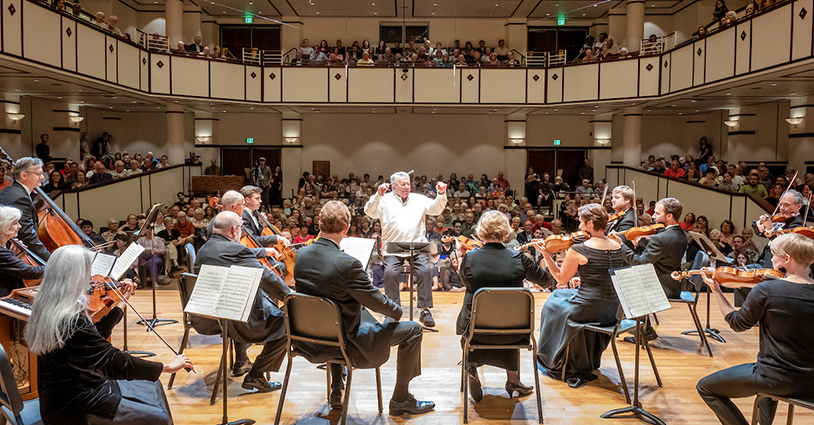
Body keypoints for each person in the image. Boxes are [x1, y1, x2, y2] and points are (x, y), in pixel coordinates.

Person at [294, 200, 435, 416]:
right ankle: (401, 400)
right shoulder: (348, 264)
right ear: (346, 229)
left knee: (335, 312)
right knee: (414, 330)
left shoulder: (301, 255)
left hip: (309, 339)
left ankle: (336, 388)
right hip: (348, 344)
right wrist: (396, 311)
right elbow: (377, 302)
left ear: (318, 224)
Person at [25, 245, 193, 425]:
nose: (91, 279)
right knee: (159, 419)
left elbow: (93, 339)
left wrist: (120, 304)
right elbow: (111, 360)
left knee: (152, 386)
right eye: (87, 274)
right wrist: (166, 367)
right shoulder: (71, 321)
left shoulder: (49, 307)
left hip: (69, 391)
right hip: (74, 406)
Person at [697, 233, 814, 425]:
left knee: (705, 388)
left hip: (776, 378)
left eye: (773, 254)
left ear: (786, 259)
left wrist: (716, 290)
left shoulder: (768, 290)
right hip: (811, 382)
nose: (771, 259)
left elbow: (737, 323)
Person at [456, 211, 552, 401]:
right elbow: (546, 280)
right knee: (506, 318)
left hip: (476, 331)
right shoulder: (519, 258)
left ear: (480, 232)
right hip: (515, 332)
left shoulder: (471, 258)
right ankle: (513, 381)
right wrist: (545, 254)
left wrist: (461, 255)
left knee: (474, 326)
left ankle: (471, 365)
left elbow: (464, 281)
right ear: (506, 233)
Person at [195, 211, 291, 392]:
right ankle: (256, 376)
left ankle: (242, 361)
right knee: (287, 325)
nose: (241, 231)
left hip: (208, 316)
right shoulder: (237, 249)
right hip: (235, 318)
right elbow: (266, 277)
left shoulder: (204, 249)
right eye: (240, 227)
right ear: (234, 230)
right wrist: (290, 297)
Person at [536, 204, 624, 387]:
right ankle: (585, 357)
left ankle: (554, 358)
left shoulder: (579, 249)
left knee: (552, 304)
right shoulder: (618, 246)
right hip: (614, 309)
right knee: (563, 295)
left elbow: (561, 278)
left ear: (590, 224)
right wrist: (583, 280)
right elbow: (604, 274)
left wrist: (545, 254)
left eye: (582, 222)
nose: (579, 227)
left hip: (589, 309)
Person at [364, 171, 448, 328]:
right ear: (394, 186)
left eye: (408, 183)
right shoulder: (384, 200)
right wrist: (378, 195)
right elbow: (369, 212)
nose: (407, 186)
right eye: (403, 184)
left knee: (425, 270)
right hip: (392, 248)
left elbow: (436, 209)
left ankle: (424, 310)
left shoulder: (418, 199)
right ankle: (393, 310)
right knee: (390, 273)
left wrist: (441, 193)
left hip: (417, 246)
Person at [610, 197, 687, 342]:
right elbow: (665, 250)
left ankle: (641, 332)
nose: (653, 216)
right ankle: (645, 330)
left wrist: (621, 245)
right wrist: (643, 242)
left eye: (657, 213)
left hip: (661, 286)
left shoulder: (661, 238)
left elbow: (640, 263)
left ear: (669, 216)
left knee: (622, 288)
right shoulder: (681, 233)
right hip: (672, 283)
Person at [0, 157, 50, 260]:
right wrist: (51, 260)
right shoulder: (20, 198)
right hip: (11, 255)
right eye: (38, 174)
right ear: (24, 175)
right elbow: (27, 236)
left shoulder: (10, 189)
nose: (42, 177)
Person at [0, 205, 45, 297]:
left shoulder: (4, 250)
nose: (19, 226)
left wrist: (15, 256)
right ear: (4, 226)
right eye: (15, 223)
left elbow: (7, 270)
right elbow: (31, 272)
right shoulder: (2, 253)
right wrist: (56, 267)